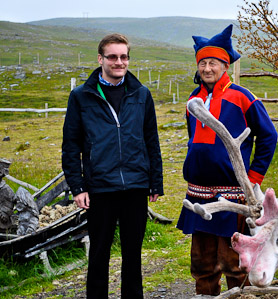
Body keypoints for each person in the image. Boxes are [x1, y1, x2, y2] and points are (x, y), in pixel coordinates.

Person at [176, 24, 278, 296]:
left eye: (213, 63)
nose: (207, 68)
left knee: (234, 260)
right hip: (198, 193)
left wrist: (253, 178)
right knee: (202, 259)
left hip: (232, 195)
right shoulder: (193, 99)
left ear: (224, 64)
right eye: (203, 63)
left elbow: (268, 136)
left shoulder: (243, 97)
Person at [62, 33, 163, 298]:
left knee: (133, 255)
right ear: (101, 59)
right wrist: (77, 186)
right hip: (100, 188)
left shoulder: (141, 94)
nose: (119, 62)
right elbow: (71, 145)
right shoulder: (81, 96)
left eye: (124, 57)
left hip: (135, 186)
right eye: (113, 57)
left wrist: (156, 181)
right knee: (98, 254)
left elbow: (151, 140)